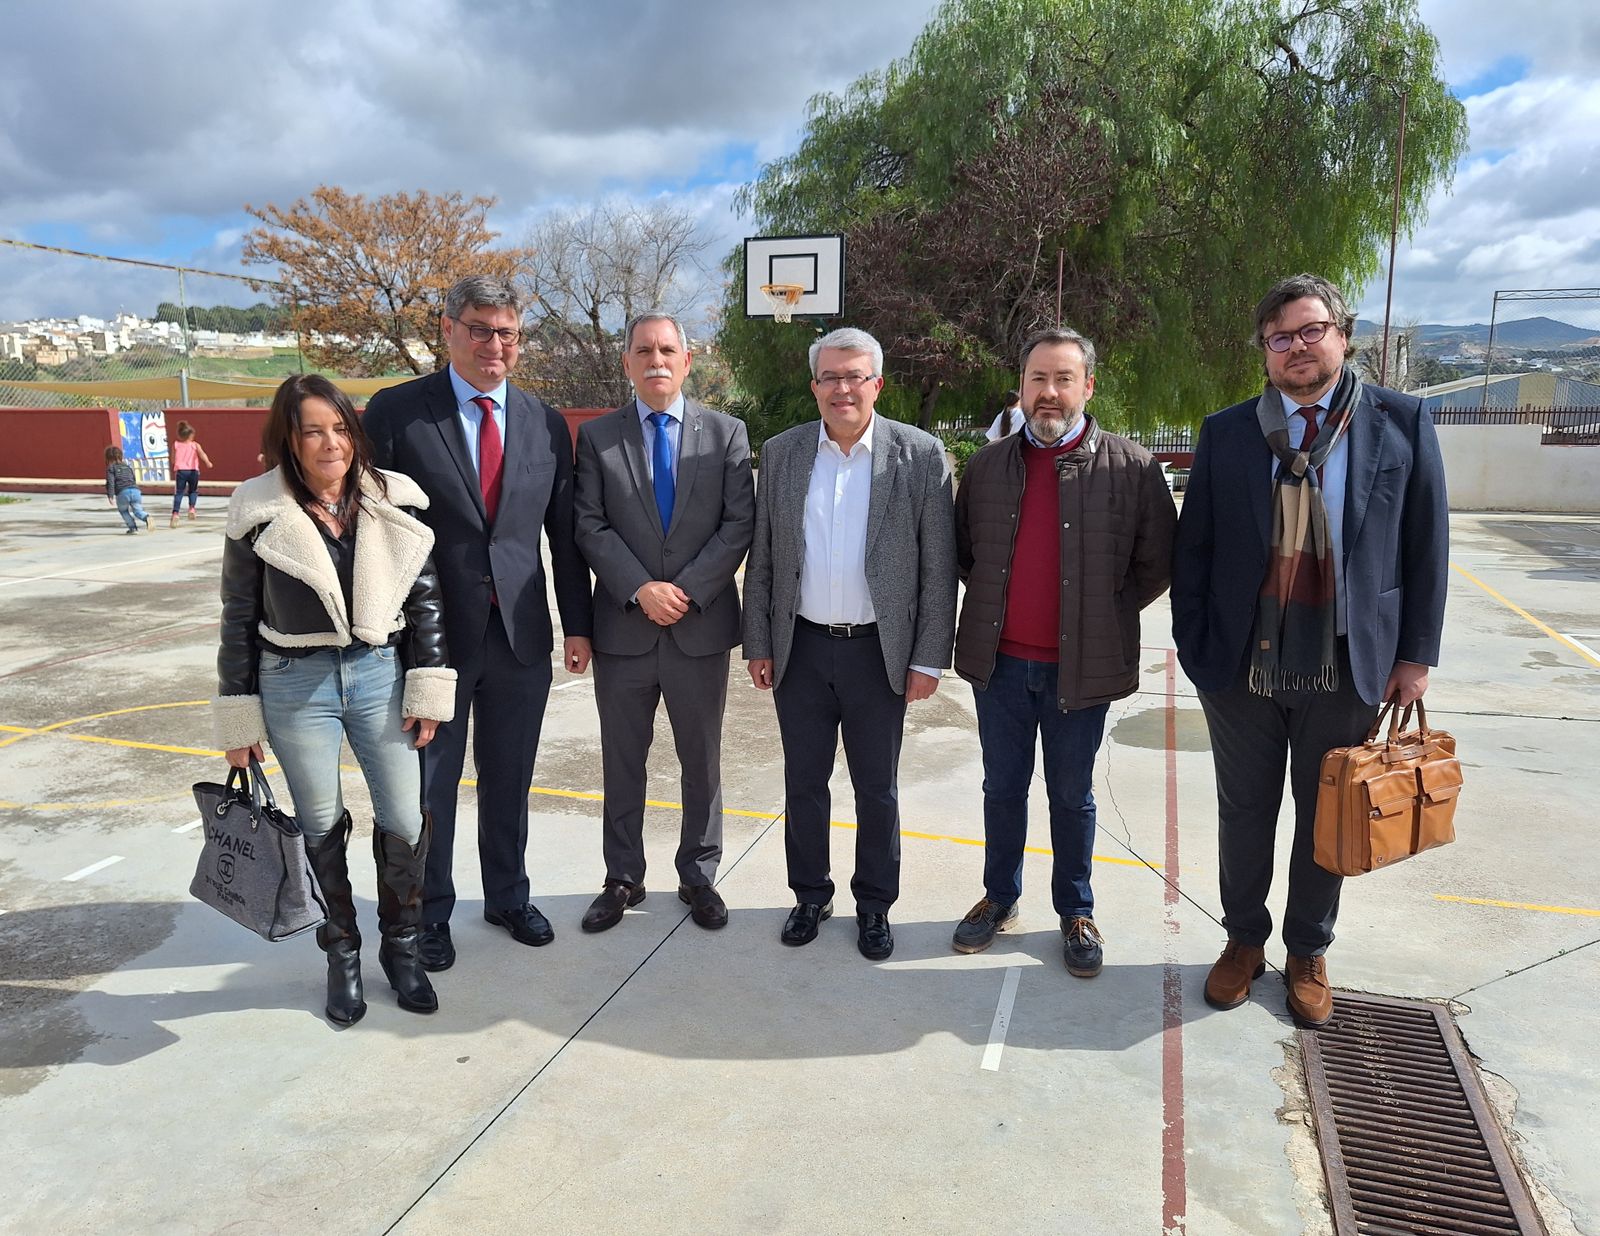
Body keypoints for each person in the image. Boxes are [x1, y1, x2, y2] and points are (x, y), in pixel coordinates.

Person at [1171, 273, 1448, 1027]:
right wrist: (1196, 648)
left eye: (1309, 330)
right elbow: (1194, 550)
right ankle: (1243, 941)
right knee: (1244, 810)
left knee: (1326, 813)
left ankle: (1307, 949)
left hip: (1350, 662)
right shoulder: (1227, 433)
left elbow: (1426, 547)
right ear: (1264, 352)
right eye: (1279, 337)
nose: (1296, 346)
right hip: (1240, 666)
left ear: (1341, 335)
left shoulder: (1401, 422)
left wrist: (1415, 655)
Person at [363, 275, 593, 972]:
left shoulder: (544, 422)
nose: (495, 345)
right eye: (480, 330)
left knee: (510, 777)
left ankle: (507, 895)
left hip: (521, 636)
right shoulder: (398, 414)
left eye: (507, 334)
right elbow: (374, 531)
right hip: (432, 641)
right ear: (448, 330)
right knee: (429, 785)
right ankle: (429, 913)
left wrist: (577, 626)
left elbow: (565, 536)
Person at [213, 374, 456, 1025]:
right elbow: (237, 616)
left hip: (380, 674)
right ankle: (341, 953)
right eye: (313, 430)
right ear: (288, 440)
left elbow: (426, 599)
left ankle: (401, 950)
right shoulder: (256, 509)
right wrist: (238, 714)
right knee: (320, 825)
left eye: (340, 427)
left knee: (407, 819)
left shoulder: (390, 500)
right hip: (295, 684)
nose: (330, 442)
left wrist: (428, 684)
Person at [950, 327, 1176, 975]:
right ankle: (999, 897)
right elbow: (968, 553)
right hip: (999, 667)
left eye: (1064, 379)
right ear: (1020, 387)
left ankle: (1076, 909)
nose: (1049, 393)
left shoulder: (1132, 467)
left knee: (1071, 795)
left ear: (1088, 386)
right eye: (1038, 380)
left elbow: (1153, 565)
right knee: (1002, 787)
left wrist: (1097, 617)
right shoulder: (989, 465)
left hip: (1082, 669)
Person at [743, 326, 958, 961]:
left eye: (855, 376)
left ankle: (874, 904)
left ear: (877, 385)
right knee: (803, 781)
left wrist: (926, 657)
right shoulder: (781, 455)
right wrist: (759, 640)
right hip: (800, 649)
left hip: (878, 653)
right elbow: (764, 558)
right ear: (814, 386)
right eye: (831, 376)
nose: (843, 388)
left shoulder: (918, 455)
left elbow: (938, 569)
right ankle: (810, 894)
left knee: (877, 786)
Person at [573, 312, 755, 932]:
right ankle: (622, 876)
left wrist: (686, 590)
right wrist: (639, 589)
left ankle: (698, 874)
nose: (657, 359)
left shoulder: (726, 434)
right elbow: (589, 525)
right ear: (627, 361)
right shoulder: (598, 438)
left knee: (700, 759)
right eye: (644, 350)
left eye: (668, 349)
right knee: (622, 759)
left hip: (698, 629)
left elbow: (738, 524)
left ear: (687, 359)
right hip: (625, 629)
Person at [169, 420, 213, 526]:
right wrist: (208, 462)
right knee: (193, 491)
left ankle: (175, 513)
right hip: (193, 471)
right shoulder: (195, 445)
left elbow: (173, 460)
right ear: (191, 435)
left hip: (181, 471)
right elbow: (202, 454)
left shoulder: (176, 445)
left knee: (179, 492)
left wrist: (176, 462)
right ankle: (192, 508)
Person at [104, 446, 150, 534]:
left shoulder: (111, 468)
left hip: (122, 492)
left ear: (108, 458)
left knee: (124, 511)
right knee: (138, 510)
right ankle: (146, 517)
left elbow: (111, 482)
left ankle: (133, 528)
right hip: (135, 490)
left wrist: (110, 495)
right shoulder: (127, 466)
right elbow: (133, 478)